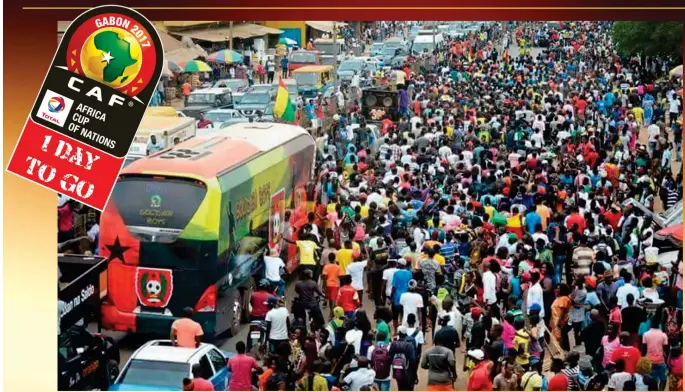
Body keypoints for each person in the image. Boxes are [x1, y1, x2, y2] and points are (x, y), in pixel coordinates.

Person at [389, 326, 417, 391]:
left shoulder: (394, 344)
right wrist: (414, 374)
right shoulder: (409, 345)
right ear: (405, 334)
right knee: (408, 388)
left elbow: (390, 357)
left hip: (397, 371)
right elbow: (413, 361)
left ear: (399, 333)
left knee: (400, 387)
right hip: (408, 372)